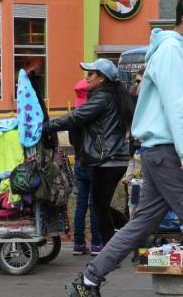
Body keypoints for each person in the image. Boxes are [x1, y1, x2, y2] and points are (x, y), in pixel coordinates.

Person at [64, 0, 183, 297]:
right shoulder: (172, 52)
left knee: (142, 224)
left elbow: (181, 108)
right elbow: (176, 105)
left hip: (162, 152)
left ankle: (90, 280)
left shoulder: (174, 50)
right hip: (168, 152)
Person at [43, 58, 133, 249]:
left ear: (102, 78)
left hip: (106, 160)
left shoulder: (102, 98)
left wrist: (46, 126)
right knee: (101, 205)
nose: (87, 78)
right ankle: (128, 238)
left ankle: (115, 247)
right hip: (114, 159)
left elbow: (76, 117)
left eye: (91, 74)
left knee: (99, 207)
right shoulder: (113, 96)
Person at [69, 79, 103, 256]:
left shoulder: (74, 116)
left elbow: (72, 141)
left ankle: (78, 243)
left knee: (81, 204)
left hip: (80, 162)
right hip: (94, 163)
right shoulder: (94, 115)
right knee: (95, 204)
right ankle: (97, 243)